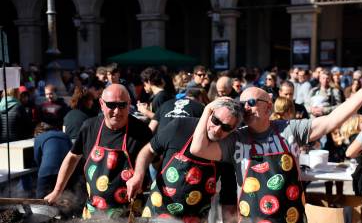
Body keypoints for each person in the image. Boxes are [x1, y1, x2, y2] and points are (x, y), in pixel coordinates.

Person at [190, 64, 362, 222]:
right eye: (242, 104)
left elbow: (331, 120)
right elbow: (198, 148)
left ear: (268, 107)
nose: (245, 108)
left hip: (292, 218)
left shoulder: (289, 129)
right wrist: (208, 110)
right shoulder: (236, 138)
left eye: (251, 103)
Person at [44, 84, 153, 219]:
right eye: (111, 105)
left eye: (122, 105)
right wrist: (57, 191)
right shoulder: (89, 127)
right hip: (94, 213)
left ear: (129, 104)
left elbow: (158, 164)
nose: (117, 111)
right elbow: (72, 157)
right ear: (102, 104)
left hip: (130, 214)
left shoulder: (142, 131)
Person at [126, 99, 243, 222]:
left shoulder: (228, 148)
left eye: (226, 127)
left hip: (196, 218)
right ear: (209, 113)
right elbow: (149, 151)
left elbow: (228, 196)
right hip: (158, 210)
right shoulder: (180, 127)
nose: (217, 130)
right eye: (215, 121)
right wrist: (138, 176)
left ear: (233, 129)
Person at [33, 121, 73, 199]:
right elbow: (72, 153)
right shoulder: (65, 135)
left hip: (46, 170)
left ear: (38, 132)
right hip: (65, 170)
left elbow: (37, 158)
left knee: (41, 199)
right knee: (66, 198)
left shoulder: (38, 138)